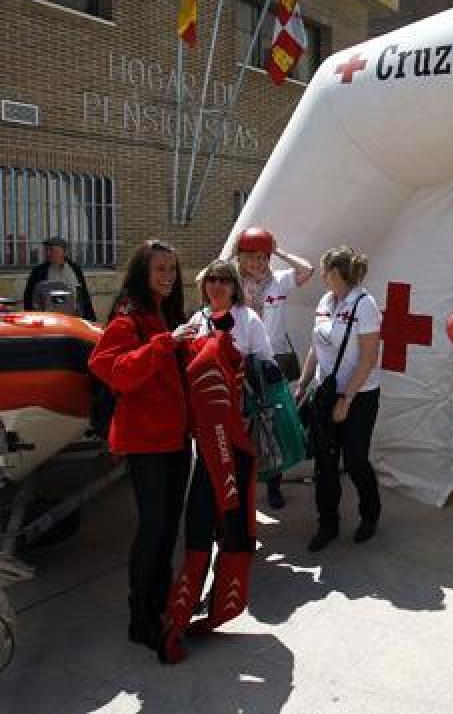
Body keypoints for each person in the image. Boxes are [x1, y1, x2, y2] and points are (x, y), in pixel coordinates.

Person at [87, 240, 196, 654]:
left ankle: (159, 601)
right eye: (160, 269)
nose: (168, 276)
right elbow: (110, 369)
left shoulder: (167, 312)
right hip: (147, 441)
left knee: (169, 525)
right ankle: (140, 617)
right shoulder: (128, 319)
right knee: (153, 528)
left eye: (173, 268)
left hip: (174, 437)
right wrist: (163, 344)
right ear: (142, 273)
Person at [160, 259, 264, 664]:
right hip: (201, 443)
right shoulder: (194, 322)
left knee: (235, 521)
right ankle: (183, 612)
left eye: (225, 280)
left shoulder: (249, 320)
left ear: (235, 286)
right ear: (204, 286)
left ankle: (225, 604)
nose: (218, 286)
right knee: (200, 521)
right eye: (212, 280)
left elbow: (266, 371)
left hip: (236, 439)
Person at [297, 245, 382, 552]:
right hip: (325, 392)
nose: (321, 276)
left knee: (356, 459)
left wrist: (346, 399)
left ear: (336, 273)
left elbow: (368, 358)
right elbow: (315, 346)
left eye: (325, 271)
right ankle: (327, 524)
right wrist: (304, 382)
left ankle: (370, 514)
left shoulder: (365, 304)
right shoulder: (324, 301)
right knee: (325, 461)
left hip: (359, 395)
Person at [234, 226, 314, 509]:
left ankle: (274, 486)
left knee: (274, 425)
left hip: (273, 362)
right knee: (244, 423)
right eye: (250, 257)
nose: (257, 263)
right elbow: (202, 279)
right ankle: (243, 485)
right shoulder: (231, 283)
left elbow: (307, 270)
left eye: (262, 257)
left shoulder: (278, 281)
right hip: (240, 361)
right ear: (240, 258)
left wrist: (278, 250)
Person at [22, 236, 97, 320]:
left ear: (63, 252)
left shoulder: (75, 269)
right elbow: (29, 297)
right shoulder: (39, 272)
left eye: (52, 250)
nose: (48, 253)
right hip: (48, 318)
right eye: (46, 250)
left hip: (73, 317)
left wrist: (90, 319)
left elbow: (83, 295)